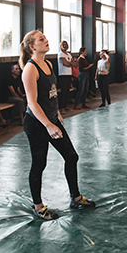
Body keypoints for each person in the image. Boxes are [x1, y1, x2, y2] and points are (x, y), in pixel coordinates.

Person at [19, 30, 95, 221]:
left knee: (71, 156)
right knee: (39, 163)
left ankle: (75, 198)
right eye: (41, 39)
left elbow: (51, 94)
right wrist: (48, 125)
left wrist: (57, 113)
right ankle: (38, 206)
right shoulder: (31, 69)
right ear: (32, 47)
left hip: (52, 120)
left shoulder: (48, 63)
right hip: (37, 124)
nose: (46, 40)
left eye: (45, 38)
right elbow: (32, 103)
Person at [57, 41, 77, 115]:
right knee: (63, 91)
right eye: (63, 45)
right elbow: (65, 63)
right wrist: (70, 63)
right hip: (63, 75)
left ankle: (65, 106)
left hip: (69, 74)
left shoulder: (69, 54)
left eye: (65, 45)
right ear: (61, 46)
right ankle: (61, 107)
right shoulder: (60, 54)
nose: (64, 46)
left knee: (67, 91)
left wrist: (70, 64)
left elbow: (75, 64)